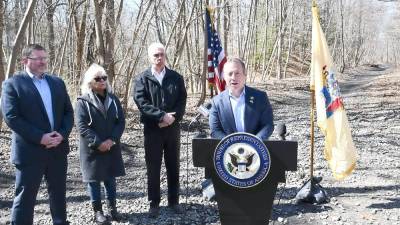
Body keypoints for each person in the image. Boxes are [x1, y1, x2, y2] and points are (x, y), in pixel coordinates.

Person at [1, 44, 73, 225]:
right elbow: (12, 117)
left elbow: (68, 113)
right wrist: (40, 137)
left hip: (57, 149)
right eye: (38, 58)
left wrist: (62, 135)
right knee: (25, 197)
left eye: (45, 58)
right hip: (30, 151)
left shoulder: (57, 82)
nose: (43, 62)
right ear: (25, 60)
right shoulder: (13, 84)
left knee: (58, 193)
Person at [133, 42, 187, 218]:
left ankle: (174, 201)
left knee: (173, 165)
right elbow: (141, 102)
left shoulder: (175, 77)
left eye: (161, 54)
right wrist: (161, 116)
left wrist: (173, 118)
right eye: (155, 55)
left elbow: (182, 100)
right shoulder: (142, 78)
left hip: (172, 129)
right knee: (153, 166)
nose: (159, 57)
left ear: (165, 55)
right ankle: (154, 203)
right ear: (150, 57)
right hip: (153, 129)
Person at [75, 64, 126, 224]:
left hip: (111, 145)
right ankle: (98, 212)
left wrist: (112, 140)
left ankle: (113, 209)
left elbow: (121, 122)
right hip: (92, 149)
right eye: (98, 78)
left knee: (110, 179)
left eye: (104, 77)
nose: (102, 81)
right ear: (90, 82)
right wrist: (98, 143)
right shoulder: (82, 102)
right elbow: (81, 126)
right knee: (94, 181)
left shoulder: (113, 99)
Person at [209, 57, 274, 140]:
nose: (233, 77)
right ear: (224, 77)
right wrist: (231, 144)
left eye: (237, 73)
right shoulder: (216, 102)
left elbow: (267, 125)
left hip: (256, 149)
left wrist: (254, 142)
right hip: (228, 149)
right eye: (230, 74)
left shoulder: (260, 97)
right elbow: (215, 130)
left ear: (244, 75)